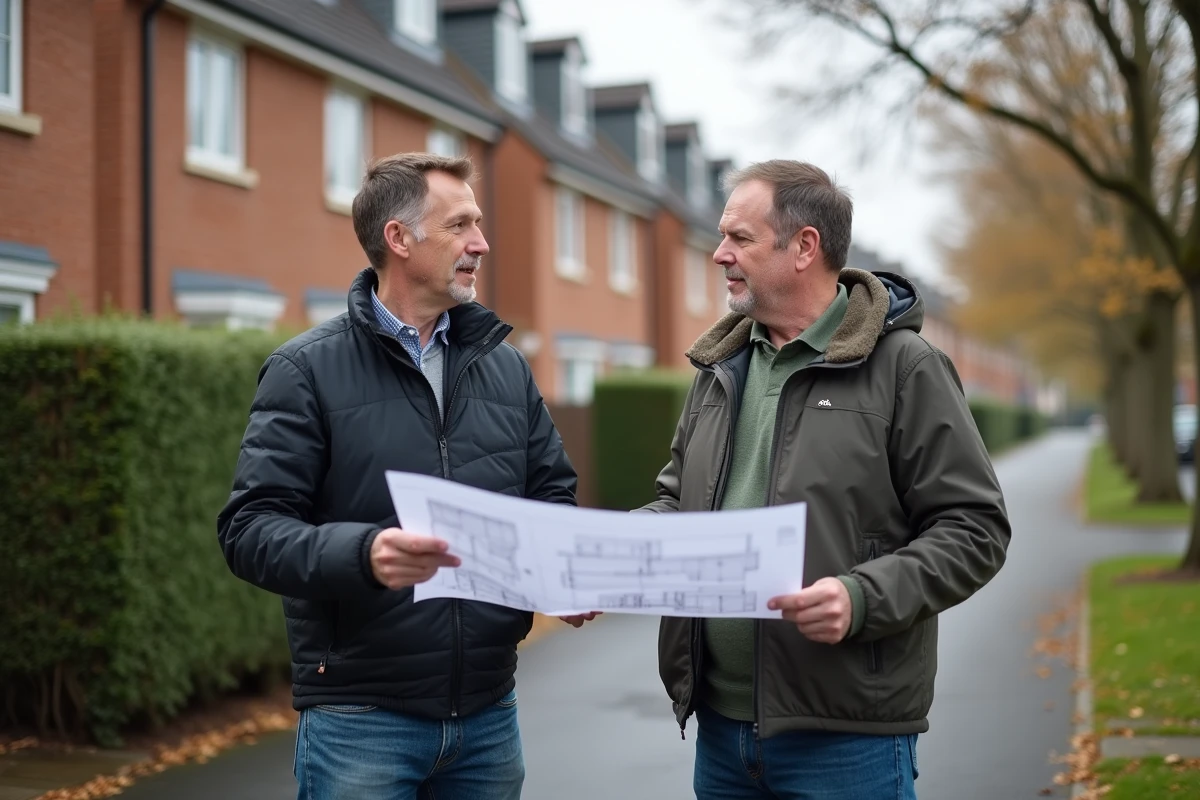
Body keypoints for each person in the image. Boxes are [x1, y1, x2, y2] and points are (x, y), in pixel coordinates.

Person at [620, 160, 1010, 798]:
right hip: (721, 734)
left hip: (847, 740)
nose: (719, 255)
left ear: (804, 247)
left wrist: (860, 598)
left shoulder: (906, 367)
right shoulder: (719, 370)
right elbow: (677, 504)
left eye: (739, 239)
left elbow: (974, 528)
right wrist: (608, 556)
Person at [217, 153, 576, 800]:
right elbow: (249, 530)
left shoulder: (507, 369)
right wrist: (364, 553)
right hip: (361, 723)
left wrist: (563, 572)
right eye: (461, 225)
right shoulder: (305, 371)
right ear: (399, 238)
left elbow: (551, 495)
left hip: (490, 714)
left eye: (480, 223)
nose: (481, 243)